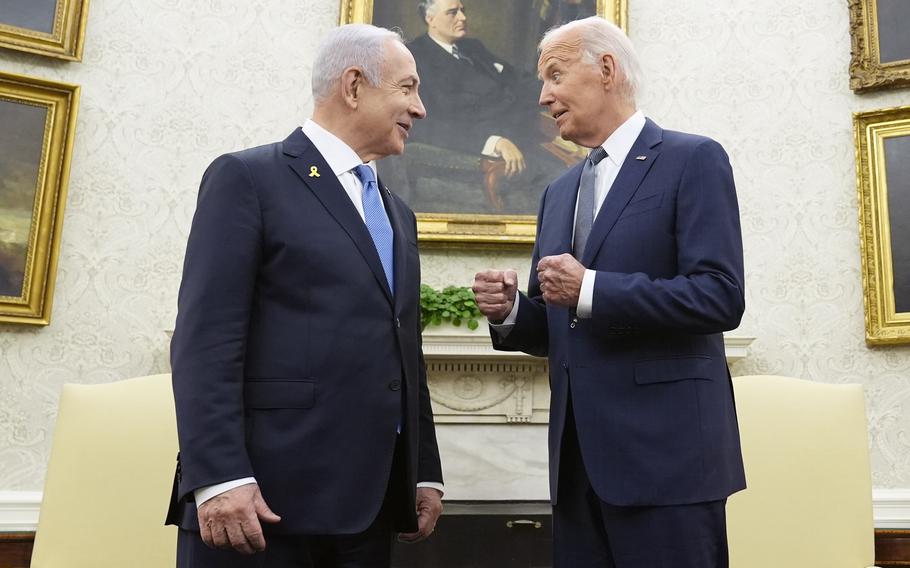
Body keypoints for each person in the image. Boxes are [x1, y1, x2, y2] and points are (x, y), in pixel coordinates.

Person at [472, 16, 746, 568]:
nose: (543, 96)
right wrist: (511, 313)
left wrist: (592, 287)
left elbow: (720, 296)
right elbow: (560, 324)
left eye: (553, 75)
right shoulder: (558, 191)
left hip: (668, 463)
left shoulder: (692, 159)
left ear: (606, 68)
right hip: (577, 467)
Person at [166, 23, 443, 568]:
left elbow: (402, 349)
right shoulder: (247, 179)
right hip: (262, 503)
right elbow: (205, 340)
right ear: (354, 85)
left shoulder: (397, 213)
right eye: (408, 88)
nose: (421, 108)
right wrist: (219, 477)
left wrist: (422, 468)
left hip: (371, 506)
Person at [403, 0, 569, 213]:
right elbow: (426, 123)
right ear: (430, 18)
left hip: (529, 135)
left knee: (571, 169)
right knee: (561, 181)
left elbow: (516, 81)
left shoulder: (472, 47)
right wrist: (494, 142)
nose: (462, 17)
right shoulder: (416, 58)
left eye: (462, 10)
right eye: (453, 12)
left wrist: (561, 86)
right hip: (488, 149)